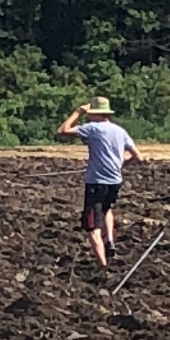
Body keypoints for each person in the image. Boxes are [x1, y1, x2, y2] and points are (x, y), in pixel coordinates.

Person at [56, 96, 145, 268]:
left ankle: (102, 265)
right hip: (115, 181)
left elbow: (62, 131)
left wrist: (77, 112)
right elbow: (139, 157)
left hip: (96, 182)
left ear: (94, 114)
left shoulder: (92, 128)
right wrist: (119, 166)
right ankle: (110, 240)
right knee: (106, 209)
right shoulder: (120, 131)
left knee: (92, 226)